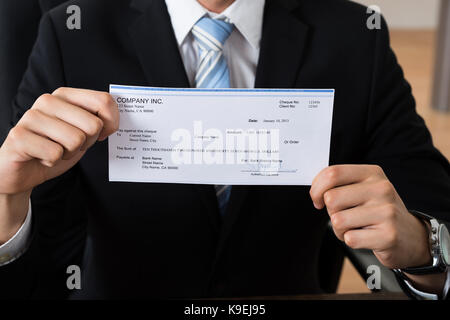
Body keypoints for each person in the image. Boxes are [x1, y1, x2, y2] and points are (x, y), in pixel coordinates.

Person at [0, 0, 449, 299]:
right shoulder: (71, 31)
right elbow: (37, 263)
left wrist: (424, 250)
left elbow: (431, 203)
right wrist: (6, 206)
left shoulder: (354, 35)